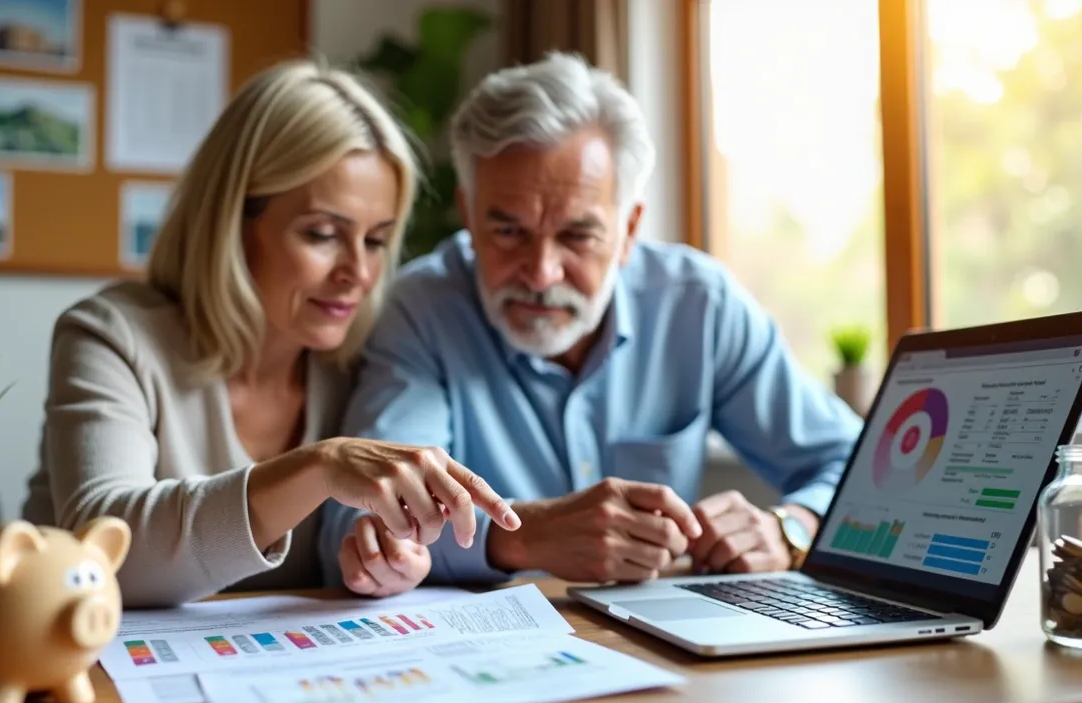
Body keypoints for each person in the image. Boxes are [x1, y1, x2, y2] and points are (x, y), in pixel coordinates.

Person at [319, 52, 862, 595]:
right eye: (508, 232)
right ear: (468, 214)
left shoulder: (700, 306)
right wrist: (524, 536)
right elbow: (360, 518)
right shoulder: (420, 310)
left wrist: (790, 528)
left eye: (578, 236)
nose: (540, 272)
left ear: (628, 230)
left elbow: (857, 468)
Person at [22, 60, 520, 608]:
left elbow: (360, 545)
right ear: (232, 222)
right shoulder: (111, 338)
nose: (357, 272)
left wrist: (389, 561)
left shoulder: (357, 360)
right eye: (323, 234)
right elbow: (101, 555)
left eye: (376, 241)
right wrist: (318, 467)